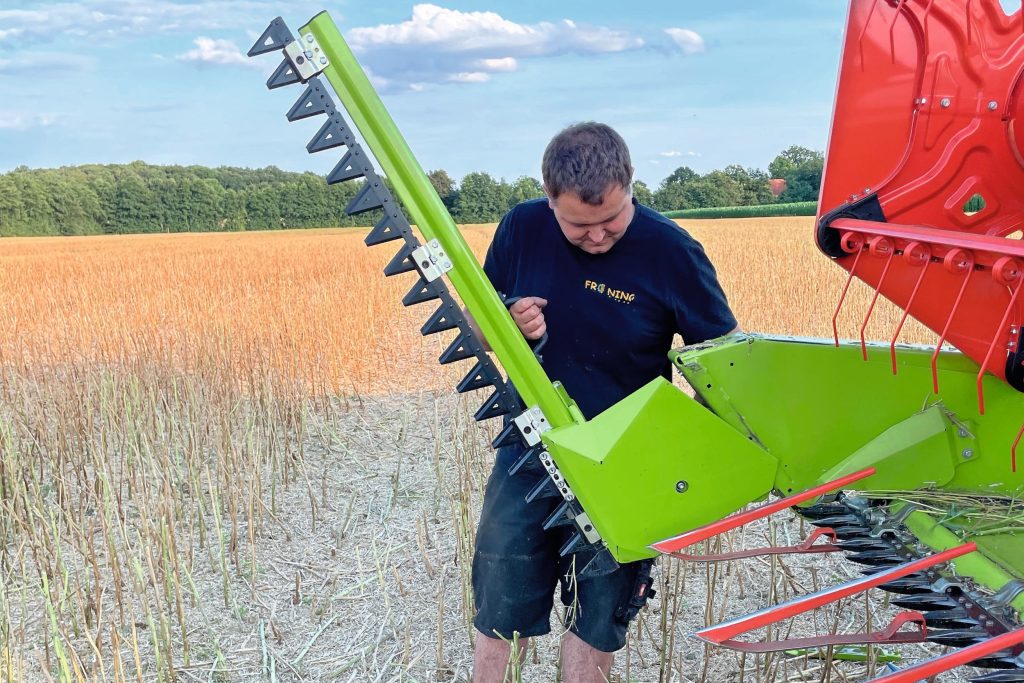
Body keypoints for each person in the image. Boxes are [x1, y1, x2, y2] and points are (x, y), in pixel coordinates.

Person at [469, 122, 739, 682]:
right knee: (500, 592)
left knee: (601, 612)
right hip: (531, 444)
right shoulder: (522, 227)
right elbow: (474, 320)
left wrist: (695, 459)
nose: (596, 237)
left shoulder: (673, 253)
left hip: (629, 457)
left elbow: (721, 365)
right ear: (549, 201)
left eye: (610, 221)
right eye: (578, 225)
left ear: (631, 185)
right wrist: (507, 321)